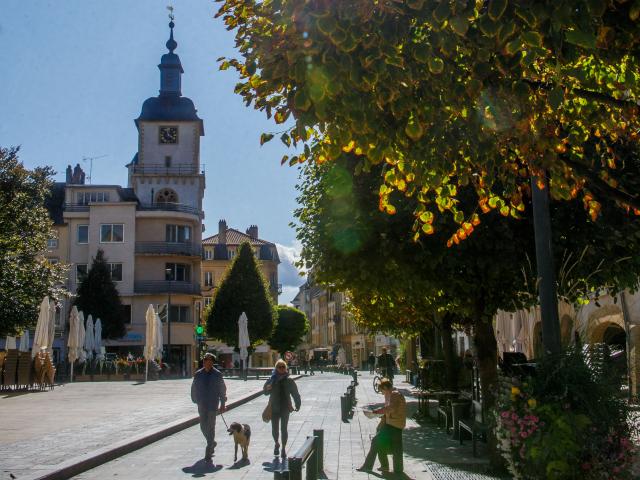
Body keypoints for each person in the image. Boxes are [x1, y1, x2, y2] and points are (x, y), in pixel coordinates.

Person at [357, 378, 406, 475]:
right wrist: (380, 424)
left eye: (382, 391)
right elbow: (387, 412)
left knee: (376, 441)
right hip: (395, 424)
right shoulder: (391, 394)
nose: (382, 393)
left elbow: (390, 408)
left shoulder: (394, 394)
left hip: (394, 425)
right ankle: (396, 469)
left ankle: (368, 466)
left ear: (385, 387)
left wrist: (376, 412)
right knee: (395, 447)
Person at [191, 353, 227, 464]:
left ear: (212, 362)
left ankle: (208, 450)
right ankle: (212, 442)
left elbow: (222, 389)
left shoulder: (217, 374)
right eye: (206, 360)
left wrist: (222, 404)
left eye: (210, 360)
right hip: (202, 404)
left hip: (212, 404)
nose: (208, 362)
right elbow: (194, 388)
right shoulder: (198, 374)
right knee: (203, 426)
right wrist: (195, 399)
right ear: (204, 362)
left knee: (211, 427)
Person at [264, 359, 301, 458]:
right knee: (274, 428)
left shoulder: (289, 380)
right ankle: (276, 443)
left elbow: (295, 394)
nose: (281, 368)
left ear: (285, 368)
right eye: (279, 367)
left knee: (284, 429)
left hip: (285, 408)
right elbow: (265, 392)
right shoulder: (271, 379)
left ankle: (283, 448)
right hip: (274, 407)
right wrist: (267, 388)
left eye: (283, 367)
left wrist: (298, 404)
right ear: (276, 368)